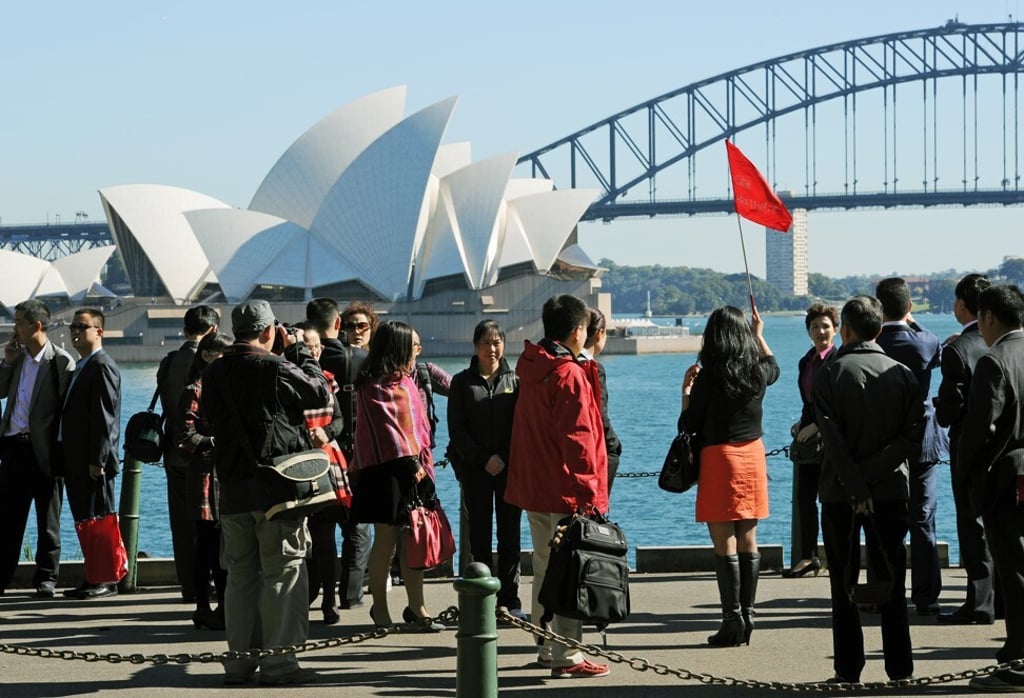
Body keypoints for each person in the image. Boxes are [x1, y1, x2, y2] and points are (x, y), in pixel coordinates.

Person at [201, 300, 330, 686]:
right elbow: (319, 394)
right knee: (283, 572)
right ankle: (279, 665)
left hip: (233, 487)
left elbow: (209, 417)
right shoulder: (276, 367)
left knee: (240, 577)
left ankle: (239, 663)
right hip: (277, 489)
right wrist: (302, 353)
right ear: (269, 331)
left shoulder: (215, 371)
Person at [813, 295, 923, 684]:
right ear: (879, 330)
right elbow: (911, 439)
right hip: (892, 488)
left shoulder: (828, 374)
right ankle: (900, 669)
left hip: (840, 492)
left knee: (842, 584)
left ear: (846, 328)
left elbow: (831, 436)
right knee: (892, 580)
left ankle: (848, 669)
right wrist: (873, 477)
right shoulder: (903, 374)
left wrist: (856, 485)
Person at [506, 294, 611, 679]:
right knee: (570, 571)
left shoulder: (532, 366)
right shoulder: (567, 374)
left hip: (536, 486)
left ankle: (545, 644)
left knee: (544, 566)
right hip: (566, 488)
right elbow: (579, 439)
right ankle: (568, 654)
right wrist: (590, 495)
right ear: (578, 330)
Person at [680, 305, 779, 647]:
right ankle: (749, 615)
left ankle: (731, 619)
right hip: (753, 456)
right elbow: (774, 367)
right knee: (749, 539)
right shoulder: (756, 371)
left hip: (720, 458)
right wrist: (759, 335)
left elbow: (690, 426)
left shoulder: (710, 375)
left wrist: (686, 396)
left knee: (725, 543)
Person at [351, 320, 444, 633]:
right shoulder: (372, 386)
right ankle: (381, 608)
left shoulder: (405, 382)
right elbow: (386, 436)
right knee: (386, 541)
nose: (415, 352)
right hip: (385, 473)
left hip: (414, 470)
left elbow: (417, 430)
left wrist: (421, 465)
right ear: (397, 348)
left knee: (412, 538)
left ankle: (417, 606)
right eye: (410, 347)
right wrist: (411, 461)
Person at [959, 285, 1024, 693]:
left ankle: (1017, 655)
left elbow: (979, 431)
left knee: (1013, 569)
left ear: (988, 317)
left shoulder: (993, 362)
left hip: (1006, 479)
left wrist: (967, 481)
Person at [874, 277, 945, 615]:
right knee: (922, 515)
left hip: (883, 440)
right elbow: (932, 340)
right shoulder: (925, 342)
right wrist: (914, 321)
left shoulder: (873, 344)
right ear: (910, 307)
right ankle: (926, 594)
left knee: (883, 516)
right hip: (923, 438)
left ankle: (884, 588)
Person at [447, 320, 524, 619]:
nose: (491, 349)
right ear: (475, 346)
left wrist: (502, 457)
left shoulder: (515, 382)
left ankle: (510, 600)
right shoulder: (462, 382)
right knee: (479, 536)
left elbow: (520, 426)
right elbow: (457, 430)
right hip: (476, 470)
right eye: (485, 343)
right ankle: (482, 597)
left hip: (507, 470)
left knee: (510, 536)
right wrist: (482, 459)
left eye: (497, 342)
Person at [934, 274, 998, 625]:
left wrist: (939, 405)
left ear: (961, 305)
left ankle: (979, 602)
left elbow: (948, 411)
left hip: (968, 448)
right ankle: (1003, 597)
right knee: (1000, 523)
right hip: (1004, 447)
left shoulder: (958, 349)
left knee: (970, 523)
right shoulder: (1002, 343)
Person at [0, 300, 75, 598]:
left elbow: (67, 412)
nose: (14, 328)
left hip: (44, 451)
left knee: (48, 520)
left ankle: (46, 578)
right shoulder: (17, 358)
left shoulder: (60, 362)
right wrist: (6, 361)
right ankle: (2, 576)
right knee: (7, 519)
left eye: (19, 322)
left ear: (37, 325)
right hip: (13, 449)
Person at [306, 297, 369, 612]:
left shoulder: (296, 361)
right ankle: (351, 593)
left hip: (308, 456)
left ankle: (314, 591)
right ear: (339, 324)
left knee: (319, 528)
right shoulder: (359, 359)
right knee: (357, 527)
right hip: (351, 453)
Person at [58, 308, 123, 599]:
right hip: (76, 460)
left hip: (93, 462)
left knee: (99, 519)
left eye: (82, 327)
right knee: (86, 520)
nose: (75, 332)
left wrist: (98, 460)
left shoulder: (101, 366)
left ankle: (106, 580)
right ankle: (93, 575)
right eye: (73, 326)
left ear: (99, 331)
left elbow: (105, 418)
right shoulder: (82, 365)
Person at [157, 304, 219, 602]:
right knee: (211, 522)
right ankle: (214, 581)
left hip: (175, 452)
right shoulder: (214, 362)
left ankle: (190, 585)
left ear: (185, 329)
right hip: (207, 458)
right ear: (214, 330)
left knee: (181, 524)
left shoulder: (169, 362)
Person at [295, 322, 352, 626]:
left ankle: (330, 600)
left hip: (327, 461)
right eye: (306, 344)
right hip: (295, 465)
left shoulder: (329, 380)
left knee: (325, 536)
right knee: (298, 538)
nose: (312, 350)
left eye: (316, 345)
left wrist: (327, 432)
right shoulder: (285, 379)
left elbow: (341, 419)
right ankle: (303, 598)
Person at [177, 331, 232, 630]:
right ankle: (203, 606)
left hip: (224, 474)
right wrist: (216, 441)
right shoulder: (194, 389)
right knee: (207, 545)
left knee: (223, 544)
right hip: (205, 475)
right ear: (209, 355)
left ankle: (223, 604)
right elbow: (185, 436)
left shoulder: (227, 387)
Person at [784, 303, 839, 578]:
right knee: (804, 498)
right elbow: (810, 400)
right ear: (808, 331)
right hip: (810, 439)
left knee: (831, 499)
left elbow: (840, 402)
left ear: (836, 330)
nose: (820, 331)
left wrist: (817, 425)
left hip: (833, 440)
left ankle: (835, 556)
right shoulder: (806, 361)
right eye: (815, 327)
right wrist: (803, 422)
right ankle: (808, 557)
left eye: (826, 326)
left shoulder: (839, 361)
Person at [581, 308, 623, 494]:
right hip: (591, 444)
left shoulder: (564, 363)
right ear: (600, 333)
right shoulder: (594, 368)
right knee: (612, 451)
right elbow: (600, 411)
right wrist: (613, 443)